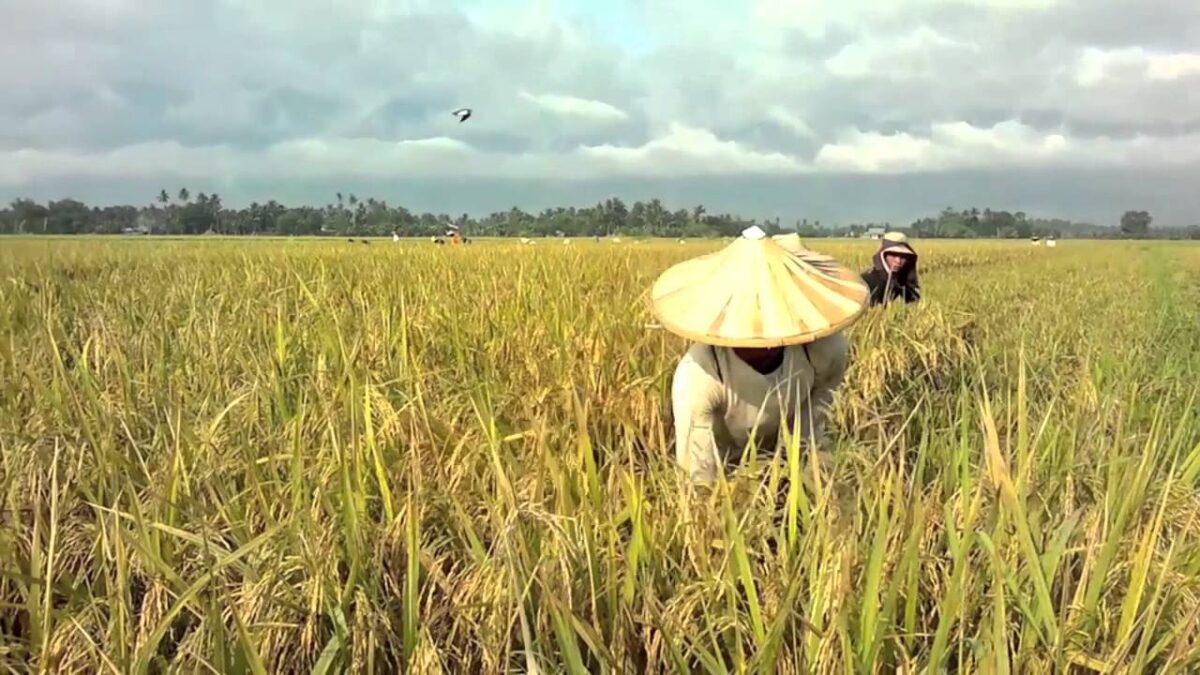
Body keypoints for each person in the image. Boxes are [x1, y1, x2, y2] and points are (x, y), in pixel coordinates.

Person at [650, 226, 870, 483]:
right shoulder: (700, 375)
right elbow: (698, 475)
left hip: (788, 460)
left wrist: (800, 475)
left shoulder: (823, 350)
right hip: (726, 469)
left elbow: (814, 421)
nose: (763, 334)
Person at [861, 232, 920, 306]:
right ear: (884, 255)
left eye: (903, 256)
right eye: (893, 254)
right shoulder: (869, 281)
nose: (898, 261)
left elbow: (914, 301)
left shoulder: (901, 279)